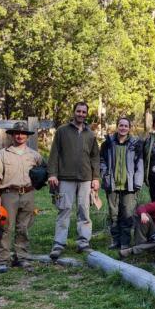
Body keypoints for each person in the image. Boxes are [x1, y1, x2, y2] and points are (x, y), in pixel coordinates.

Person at [0, 121, 44, 273]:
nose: (20, 136)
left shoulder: (34, 155)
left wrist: (41, 180)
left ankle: (22, 258)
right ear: (12, 135)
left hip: (28, 193)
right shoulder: (3, 154)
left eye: (23, 133)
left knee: (24, 227)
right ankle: (3, 261)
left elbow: (45, 170)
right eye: (17, 133)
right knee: (5, 227)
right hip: (8, 194)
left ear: (27, 136)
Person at [48, 102, 100, 259]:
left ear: (86, 114)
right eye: (79, 111)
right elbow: (54, 154)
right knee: (64, 209)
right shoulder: (62, 131)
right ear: (74, 112)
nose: (81, 114)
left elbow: (95, 157)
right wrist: (52, 174)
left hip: (85, 179)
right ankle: (58, 244)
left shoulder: (90, 134)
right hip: (65, 178)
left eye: (84, 112)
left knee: (84, 210)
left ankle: (83, 242)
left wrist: (96, 177)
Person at [99, 117, 144, 250]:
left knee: (127, 214)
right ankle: (115, 241)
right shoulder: (108, 143)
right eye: (121, 125)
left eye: (126, 126)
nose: (123, 128)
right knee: (114, 215)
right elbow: (102, 161)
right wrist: (105, 174)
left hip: (129, 185)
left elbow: (140, 163)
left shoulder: (136, 144)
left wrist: (137, 182)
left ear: (129, 128)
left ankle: (125, 242)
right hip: (112, 184)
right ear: (117, 127)